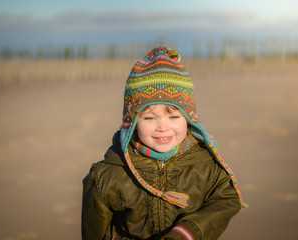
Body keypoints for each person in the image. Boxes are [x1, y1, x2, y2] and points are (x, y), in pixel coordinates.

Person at [82, 46, 247, 240]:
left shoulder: (205, 166)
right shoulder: (108, 175)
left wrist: (188, 232)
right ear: (133, 123)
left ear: (189, 120)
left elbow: (227, 199)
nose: (163, 127)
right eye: (150, 118)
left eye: (174, 116)